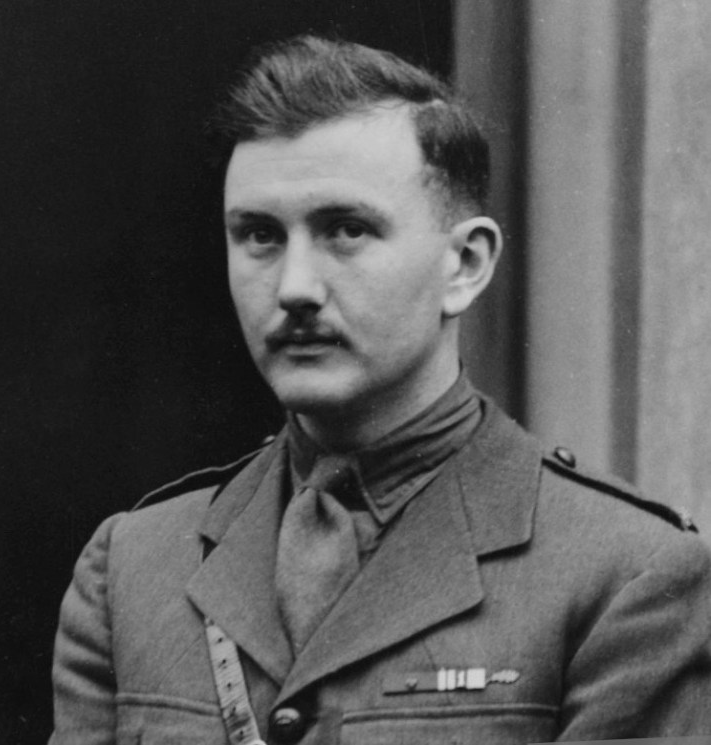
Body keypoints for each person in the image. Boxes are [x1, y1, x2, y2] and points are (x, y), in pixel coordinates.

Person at [49, 36, 711, 745]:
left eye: (346, 230)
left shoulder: (622, 575)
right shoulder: (134, 567)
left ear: (464, 264)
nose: (295, 287)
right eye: (260, 235)